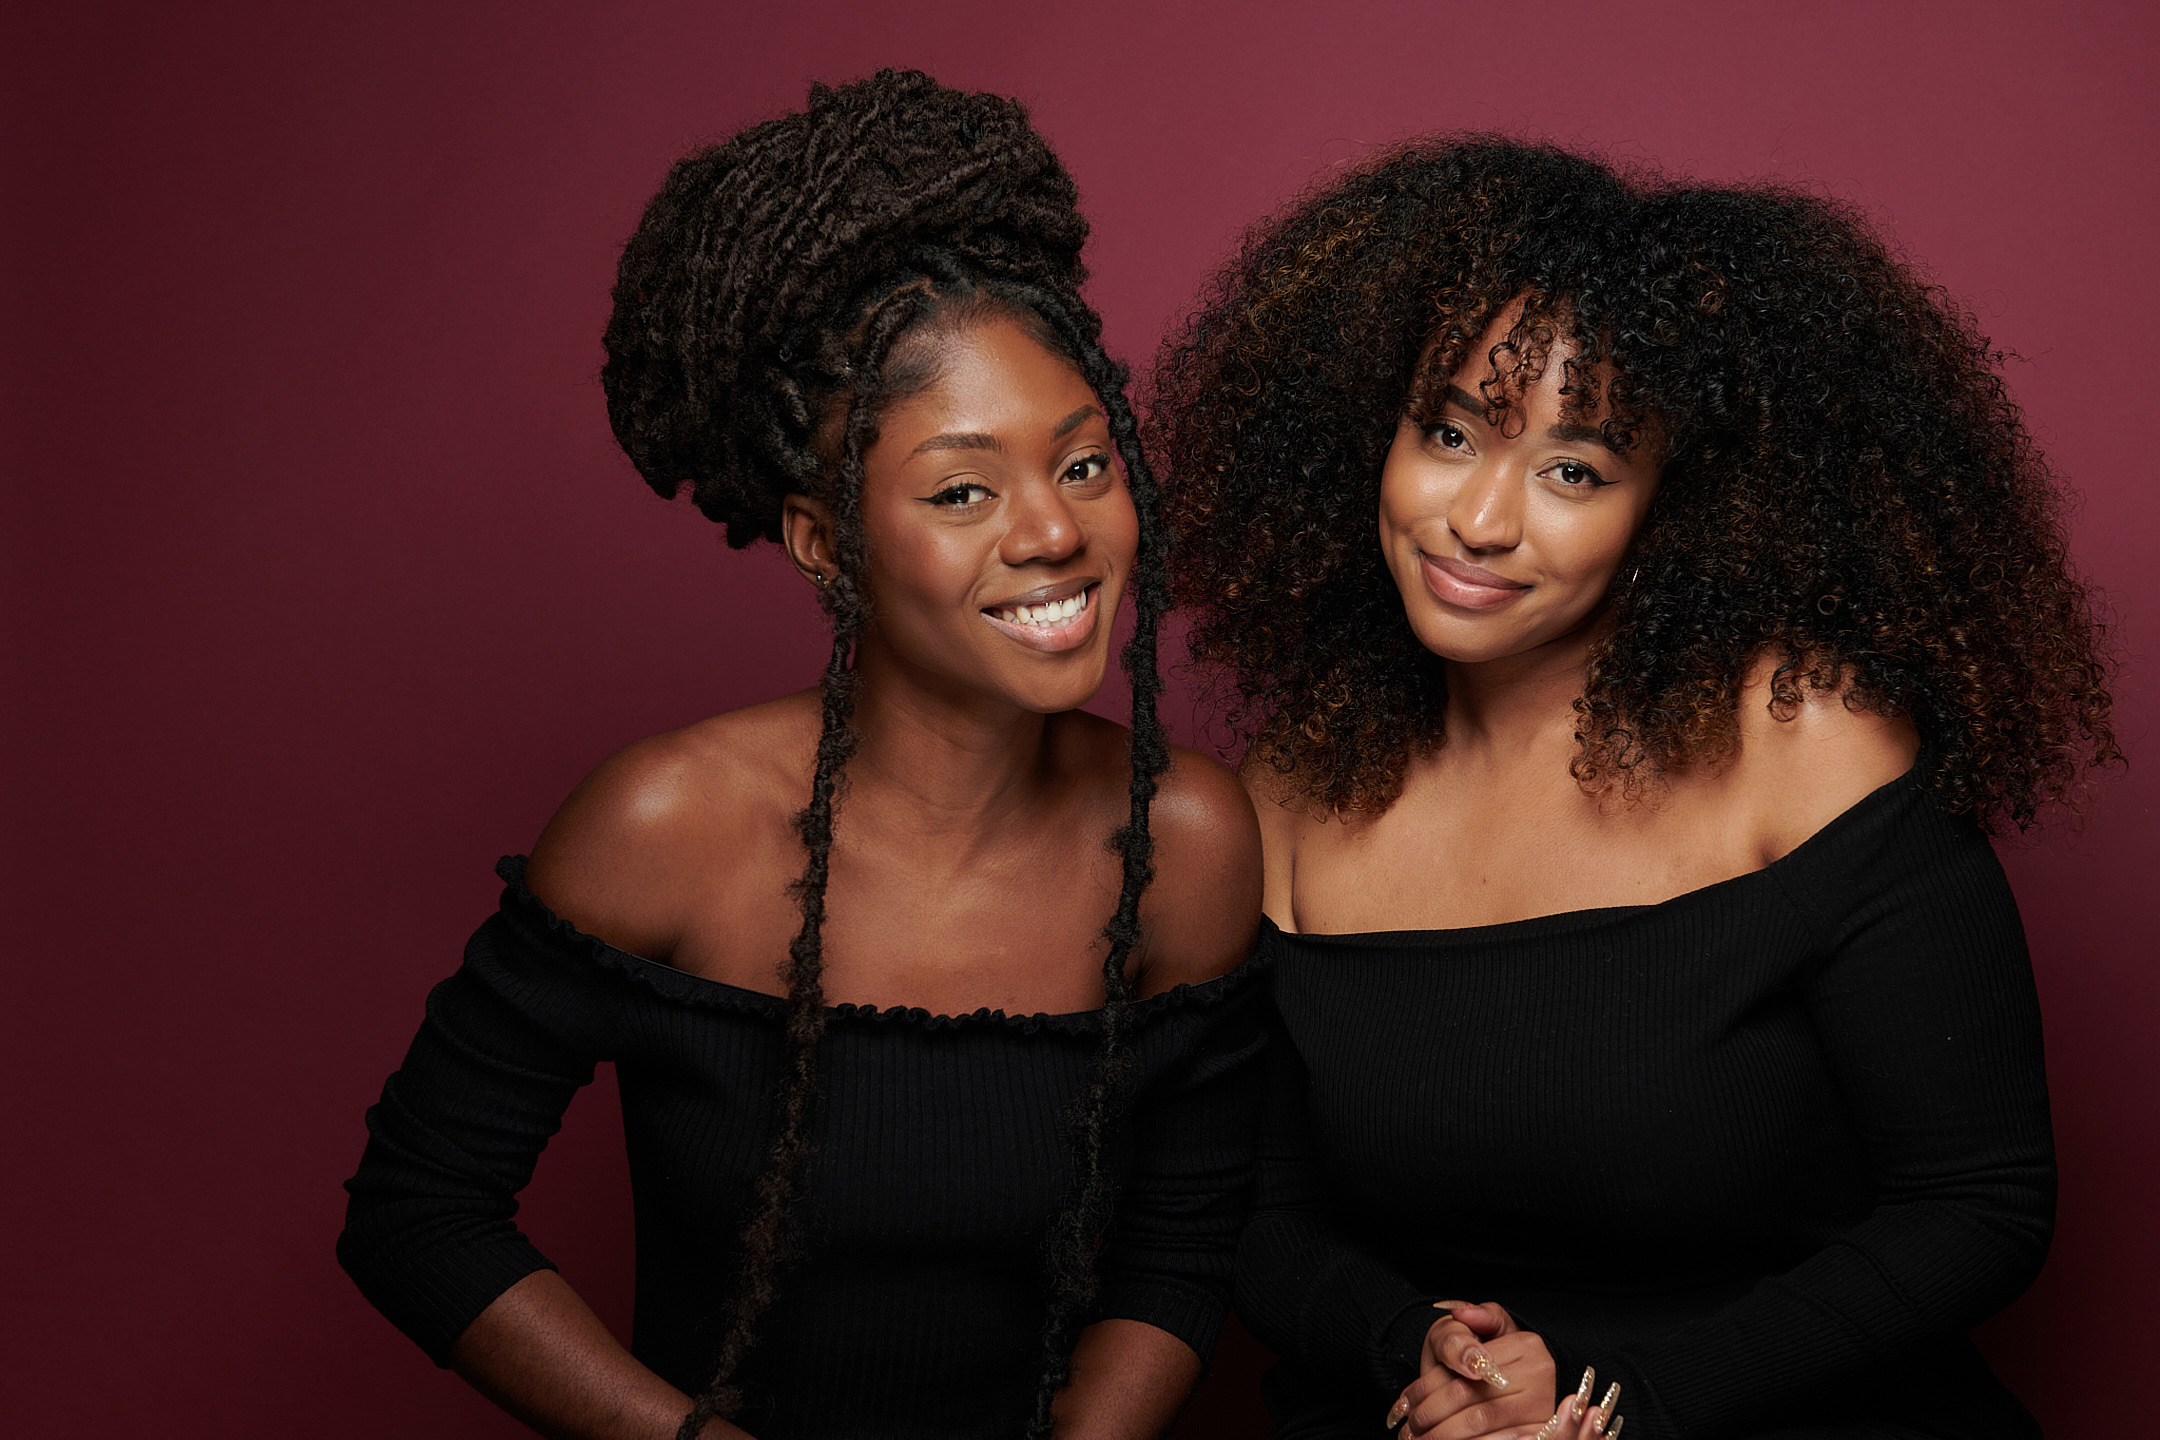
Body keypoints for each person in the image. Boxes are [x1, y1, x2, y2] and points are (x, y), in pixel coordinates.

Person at [338, 71, 1267, 1440]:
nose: (1055, 533)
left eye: (1083, 465)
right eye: (964, 490)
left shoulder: (1185, 838)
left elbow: (1181, 1249)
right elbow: (419, 1208)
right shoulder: (666, 823)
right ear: (825, 543)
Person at [1150, 137, 2117, 1439]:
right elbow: (1265, 1216)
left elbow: (1979, 1203)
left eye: (1575, 470)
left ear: (1674, 509)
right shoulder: (1288, 798)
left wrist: (1625, 1413)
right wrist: (1419, 1351)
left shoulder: (1812, 743)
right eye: (1450, 432)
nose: (1479, 518)